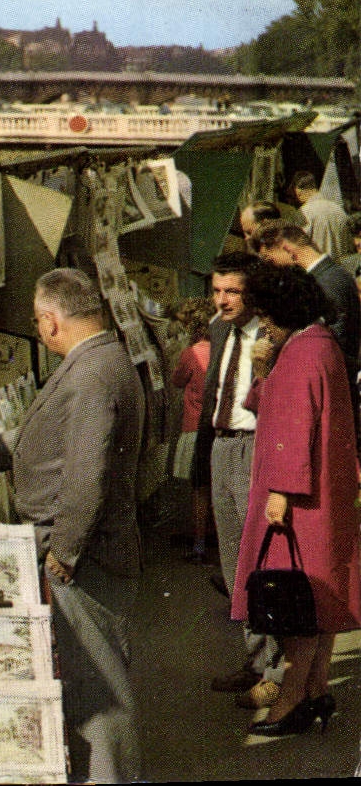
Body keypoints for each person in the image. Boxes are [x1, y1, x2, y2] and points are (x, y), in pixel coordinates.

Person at [0, 268, 144, 781]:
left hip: (86, 556)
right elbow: (58, 437)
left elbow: (85, 474)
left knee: (96, 688)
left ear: (52, 321)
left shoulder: (91, 374)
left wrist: (65, 551)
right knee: (91, 680)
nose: (38, 331)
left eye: (37, 322)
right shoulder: (101, 359)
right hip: (95, 548)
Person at [229, 263, 361, 736]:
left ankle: (289, 704)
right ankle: (318, 691)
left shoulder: (302, 352)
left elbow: (291, 424)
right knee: (319, 602)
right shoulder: (321, 345)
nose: (262, 321)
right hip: (325, 496)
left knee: (294, 607)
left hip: (295, 498)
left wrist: (280, 492)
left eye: (265, 310)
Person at [197, 252, 286, 709]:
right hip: (222, 444)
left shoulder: (272, 334)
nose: (222, 300)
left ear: (253, 292)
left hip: (255, 447)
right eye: (216, 290)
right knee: (234, 563)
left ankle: (276, 669)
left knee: (262, 562)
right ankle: (254, 660)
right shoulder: (219, 328)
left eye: (232, 291)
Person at [253, 222, 361, 377]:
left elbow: (332, 348)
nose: (273, 269)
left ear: (287, 250)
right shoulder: (330, 276)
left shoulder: (326, 283)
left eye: (270, 261)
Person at [170, 297, 217, 564]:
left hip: (194, 426)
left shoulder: (190, 353)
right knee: (215, 486)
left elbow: (177, 380)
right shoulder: (220, 349)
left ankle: (199, 544)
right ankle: (216, 535)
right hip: (216, 427)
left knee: (198, 489)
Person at [293, 172, 348, 261]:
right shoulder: (338, 209)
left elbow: (297, 245)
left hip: (318, 269)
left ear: (298, 190)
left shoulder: (303, 213)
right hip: (341, 270)